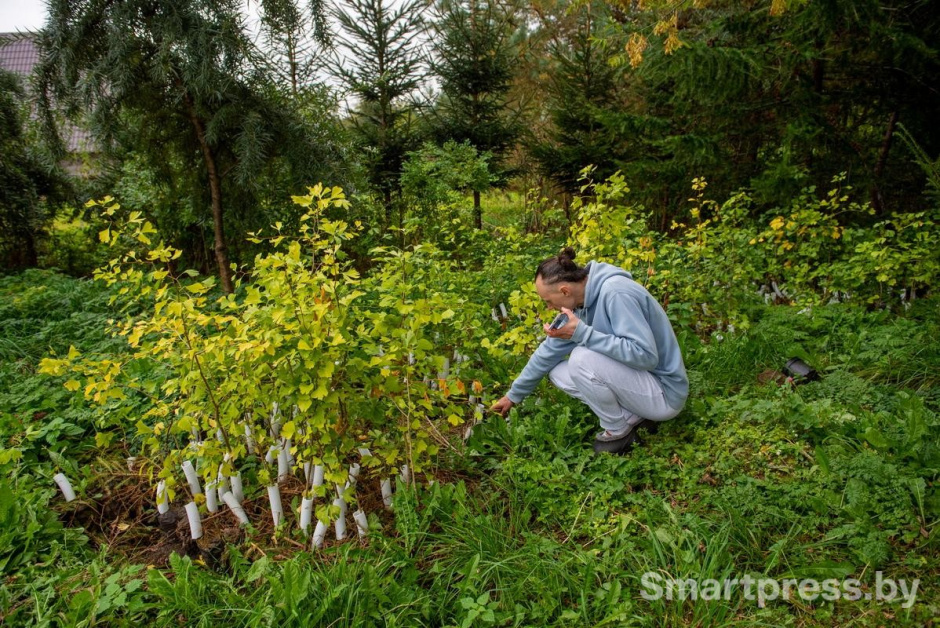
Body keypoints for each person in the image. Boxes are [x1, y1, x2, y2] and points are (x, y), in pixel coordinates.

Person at [491, 247, 688, 454]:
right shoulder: (579, 306)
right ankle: (632, 416)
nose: (549, 308)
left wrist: (583, 334)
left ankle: (618, 431)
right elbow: (546, 353)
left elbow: (646, 356)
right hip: (641, 385)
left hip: (665, 393)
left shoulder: (616, 293)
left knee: (580, 359)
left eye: (548, 301)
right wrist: (513, 395)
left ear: (565, 291)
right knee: (557, 371)